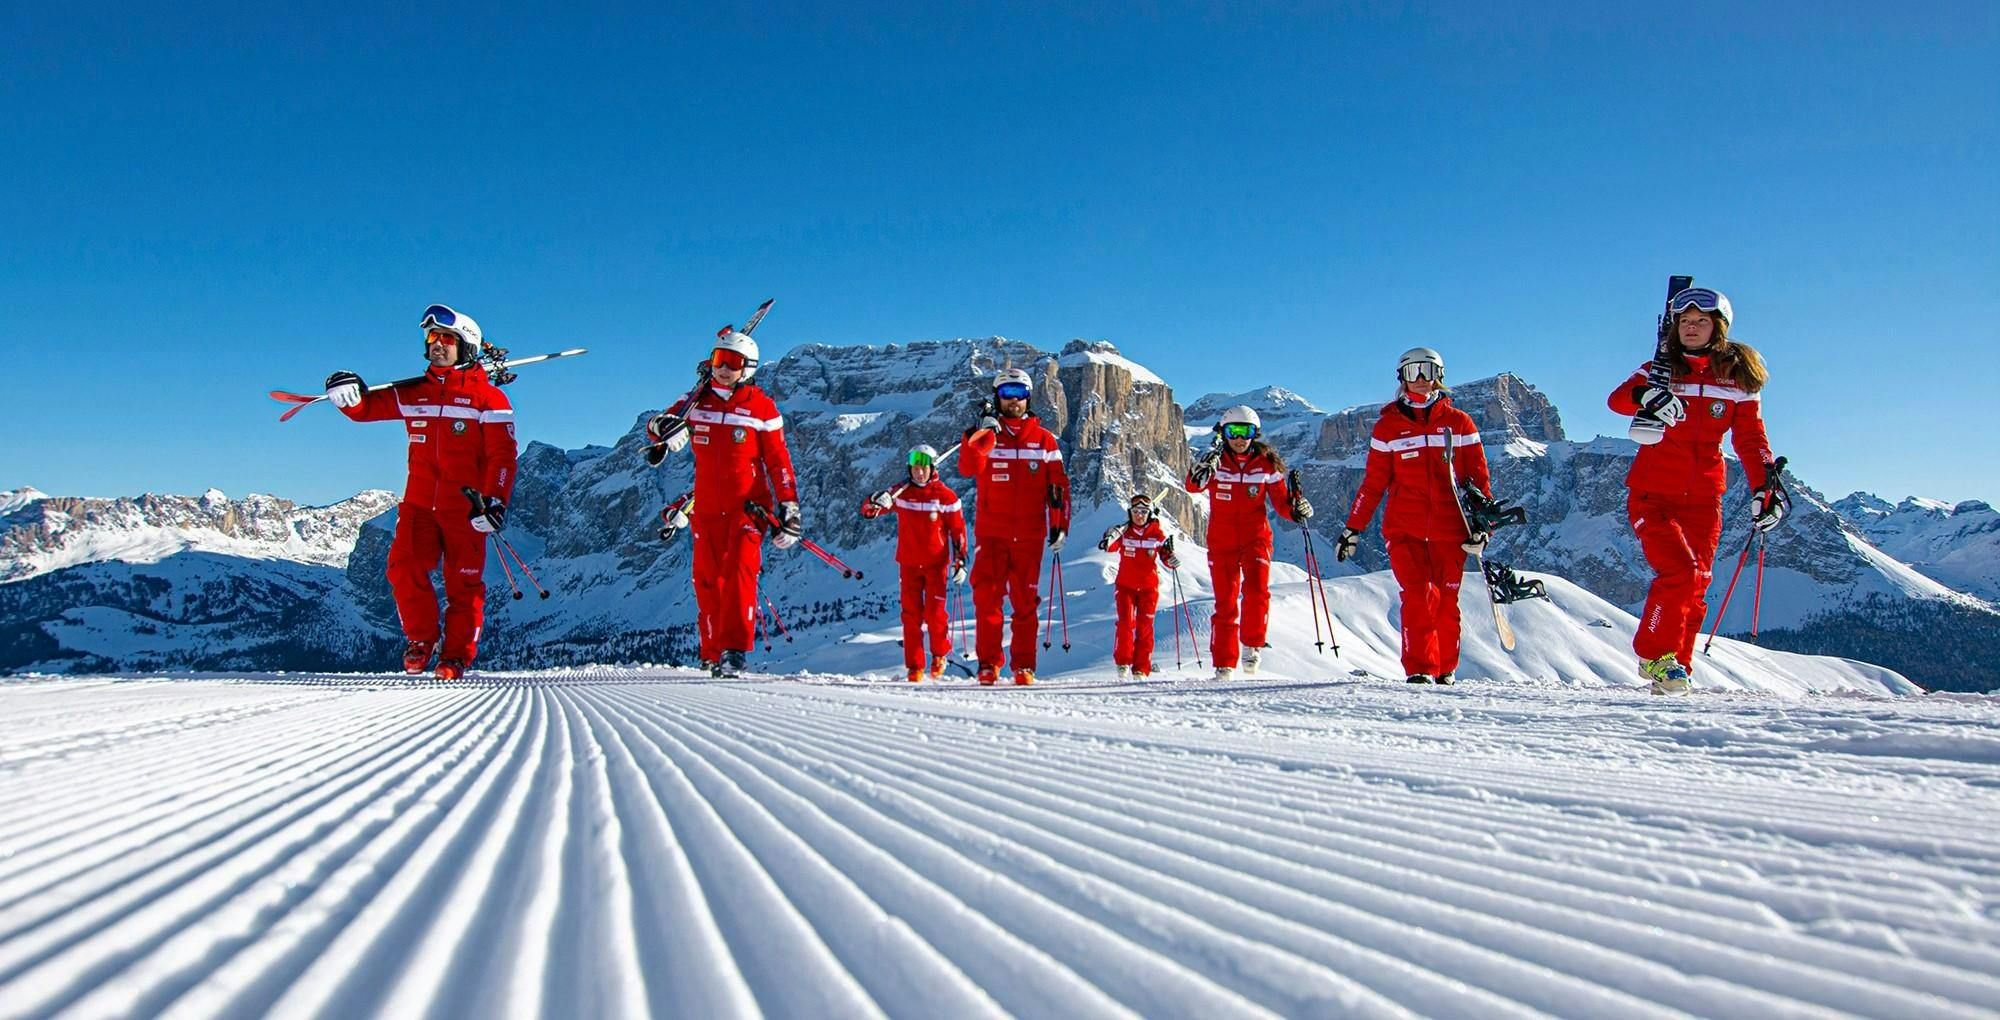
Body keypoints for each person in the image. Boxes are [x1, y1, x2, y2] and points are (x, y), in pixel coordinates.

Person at [325, 304, 518, 680]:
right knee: (404, 568)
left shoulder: (489, 400)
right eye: (432, 338)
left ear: (468, 347)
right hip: (418, 505)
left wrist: (495, 501)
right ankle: (422, 639)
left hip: (467, 508)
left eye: (447, 339)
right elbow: (365, 409)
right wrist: (345, 390)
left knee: (463, 584)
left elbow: (503, 455)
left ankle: (456, 655)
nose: (438, 345)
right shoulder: (413, 394)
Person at [1608, 287, 1779, 695]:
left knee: (1698, 582)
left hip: (1705, 496)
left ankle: (1676, 670)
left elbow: (1751, 440)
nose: (1692, 327)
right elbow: (1616, 400)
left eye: (1701, 321)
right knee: (1679, 572)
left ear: (1718, 328)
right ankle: (1653, 654)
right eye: (1685, 321)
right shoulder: (1659, 369)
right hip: (1653, 492)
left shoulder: (1736, 379)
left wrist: (1764, 486)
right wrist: (1646, 394)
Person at [645, 328, 801, 678]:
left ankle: (734, 651)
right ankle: (711, 652)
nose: (724, 369)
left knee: (738, 574)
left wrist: (789, 506)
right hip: (707, 510)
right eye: (718, 359)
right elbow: (657, 429)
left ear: (748, 368)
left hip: (748, 507)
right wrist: (663, 428)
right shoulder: (697, 402)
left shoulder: (761, 407)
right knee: (707, 581)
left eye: (732, 362)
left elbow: (779, 462)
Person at [1337, 347, 1492, 685]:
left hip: (1451, 529)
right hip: (1404, 528)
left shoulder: (1459, 423)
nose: (1421, 379)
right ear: (1402, 378)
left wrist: (1483, 525)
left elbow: (1477, 479)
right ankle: (1420, 668)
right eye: (1413, 372)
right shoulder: (1389, 427)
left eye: (1428, 371)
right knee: (1419, 595)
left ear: (1440, 376)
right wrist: (1353, 529)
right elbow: (1373, 484)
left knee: (1446, 602)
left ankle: (1445, 669)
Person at [960, 368, 1071, 685]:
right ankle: (988, 665)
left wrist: (1059, 524)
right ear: (997, 397)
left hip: (1029, 536)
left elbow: (1058, 485)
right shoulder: (985, 435)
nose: (1014, 400)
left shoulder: (1044, 440)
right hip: (991, 533)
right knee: (987, 600)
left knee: (1025, 604)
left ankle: (1023, 666)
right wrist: (980, 434)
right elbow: (968, 468)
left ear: (1028, 397)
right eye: (1007, 393)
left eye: (1020, 394)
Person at [1184, 405, 1311, 680]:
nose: (1240, 439)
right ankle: (1224, 664)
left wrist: (1297, 509)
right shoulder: (1216, 461)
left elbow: (1281, 503)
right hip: (1222, 542)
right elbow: (1192, 487)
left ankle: (1252, 645)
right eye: (1233, 431)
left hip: (1256, 539)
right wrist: (1202, 468)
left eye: (1247, 432)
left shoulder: (1266, 465)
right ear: (1224, 433)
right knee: (1226, 602)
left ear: (1255, 434)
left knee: (1256, 591)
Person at [861, 444, 968, 682]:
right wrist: (877, 499)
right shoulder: (901, 494)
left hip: (935, 565)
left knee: (935, 614)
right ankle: (915, 666)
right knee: (911, 616)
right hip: (908, 564)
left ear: (933, 469)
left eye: (923, 468)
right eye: (915, 468)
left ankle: (940, 654)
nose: (919, 473)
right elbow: (869, 512)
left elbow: (958, 531)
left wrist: (960, 560)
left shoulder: (945, 496)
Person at [1098, 492, 1179, 678]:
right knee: (1125, 623)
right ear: (1130, 512)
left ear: (1149, 513)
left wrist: (1171, 559)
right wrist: (1109, 535)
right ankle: (1123, 663)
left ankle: (1141, 668)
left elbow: (1165, 554)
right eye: (1135, 511)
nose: (1139, 515)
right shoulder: (1125, 532)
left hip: (1149, 589)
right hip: (1125, 586)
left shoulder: (1156, 533)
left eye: (1143, 511)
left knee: (1145, 627)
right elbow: (1109, 547)